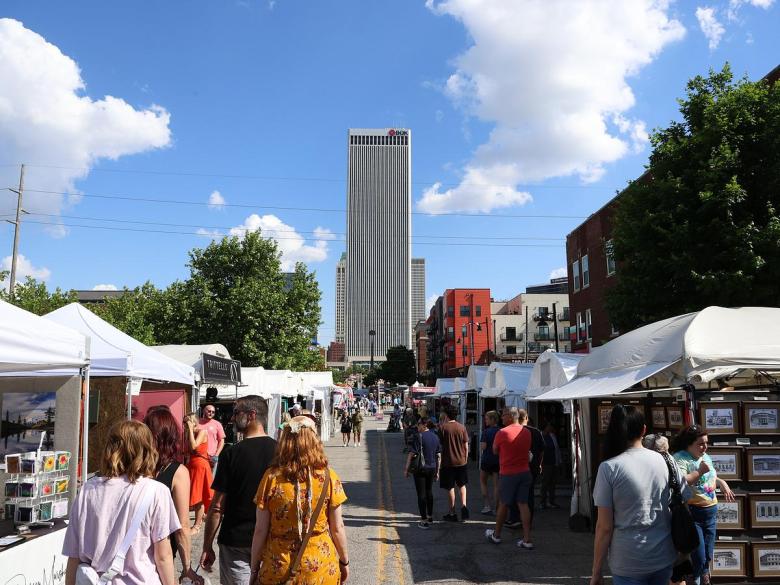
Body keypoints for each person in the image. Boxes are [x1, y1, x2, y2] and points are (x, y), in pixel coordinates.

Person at [62, 420, 180, 585]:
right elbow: (163, 556)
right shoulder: (156, 492)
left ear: (110, 449)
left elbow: (74, 555)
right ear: (147, 450)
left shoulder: (87, 490)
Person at [590, 405, 686, 585]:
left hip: (628, 558)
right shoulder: (666, 460)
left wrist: (596, 571)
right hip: (663, 553)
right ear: (644, 430)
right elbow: (683, 494)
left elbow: (604, 527)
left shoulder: (609, 468)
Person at [250, 415, 350, 584]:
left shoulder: (271, 478)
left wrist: (254, 568)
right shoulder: (328, 477)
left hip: (279, 566)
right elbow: (337, 528)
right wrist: (344, 561)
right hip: (320, 566)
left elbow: (260, 529)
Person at [200, 395, 276, 585]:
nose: (232, 419)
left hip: (237, 541)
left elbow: (217, 507)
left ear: (251, 415)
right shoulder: (281, 451)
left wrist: (207, 546)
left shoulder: (231, 454)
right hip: (272, 538)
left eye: (236, 413)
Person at [143, 409, 202, 585]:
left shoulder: (133, 468)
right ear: (171, 436)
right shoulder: (177, 472)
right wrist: (187, 567)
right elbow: (182, 526)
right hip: (161, 557)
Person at [673, 424, 735, 585]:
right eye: (700, 444)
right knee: (699, 556)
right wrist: (699, 471)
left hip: (711, 511)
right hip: (694, 512)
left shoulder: (705, 456)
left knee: (707, 554)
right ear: (689, 444)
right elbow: (681, 481)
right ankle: (698, 578)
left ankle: (700, 577)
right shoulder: (680, 457)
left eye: (706, 442)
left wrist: (722, 483)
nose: (705, 447)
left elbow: (712, 477)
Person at [642, 433, 693, 585]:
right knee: (677, 571)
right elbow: (686, 495)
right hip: (676, 523)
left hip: (655, 525)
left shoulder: (647, 466)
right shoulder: (672, 462)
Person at [484, 407, 534, 549]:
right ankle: (527, 539)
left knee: (504, 504)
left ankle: (497, 535)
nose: (501, 418)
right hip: (525, 472)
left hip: (508, 473)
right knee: (523, 504)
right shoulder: (527, 432)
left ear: (511, 417)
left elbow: (494, 450)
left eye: (504, 415)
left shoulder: (502, 432)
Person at [405, 417, 442, 529]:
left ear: (424, 425)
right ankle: (430, 516)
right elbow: (439, 455)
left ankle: (423, 519)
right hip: (432, 467)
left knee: (421, 494)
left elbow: (412, 453)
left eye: (419, 424)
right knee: (429, 491)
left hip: (421, 468)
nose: (417, 426)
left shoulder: (418, 436)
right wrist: (438, 471)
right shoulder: (435, 437)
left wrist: (406, 469)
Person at [438, 404, 470, 522]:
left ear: (446, 415)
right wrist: (465, 459)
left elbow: (440, 446)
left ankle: (452, 512)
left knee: (450, 487)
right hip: (461, 461)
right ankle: (464, 507)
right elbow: (466, 446)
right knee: (462, 485)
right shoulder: (462, 427)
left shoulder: (443, 428)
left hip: (448, 463)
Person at [184, 412, 213, 534]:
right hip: (192, 465)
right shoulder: (189, 433)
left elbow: (194, 446)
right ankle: (200, 519)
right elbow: (187, 450)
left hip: (200, 466)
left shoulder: (202, 432)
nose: (185, 425)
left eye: (187, 422)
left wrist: (190, 430)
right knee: (193, 494)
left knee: (199, 496)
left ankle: (197, 525)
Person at [479, 410, 501, 515]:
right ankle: (497, 509)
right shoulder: (501, 431)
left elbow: (483, 447)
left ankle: (487, 506)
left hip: (487, 459)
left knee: (483, 482)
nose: (485, 420)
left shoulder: (486, 432)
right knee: (496, 485)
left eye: (487, 418)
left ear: (493, 419)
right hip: (497, 460)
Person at [540, 423, 562, 509]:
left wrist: (559, 461)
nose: (551, 427)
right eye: (549, 426)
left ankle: (551, 501)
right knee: (545, 483)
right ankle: (542, 502)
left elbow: (557, 449)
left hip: (554, 462)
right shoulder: (541, 436)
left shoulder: (552, 436)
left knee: (552, 483)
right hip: (546, 463)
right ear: (545, 427)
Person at [199, 404, 226, 469]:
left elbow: (221, 441)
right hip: (199, 456)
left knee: (211, 478)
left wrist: (216, 455)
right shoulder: (197, 422)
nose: (211, 413)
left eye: (213, 412)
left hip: (211, 457)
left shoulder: (217, 424)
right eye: (209, 411)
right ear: (203, 411)